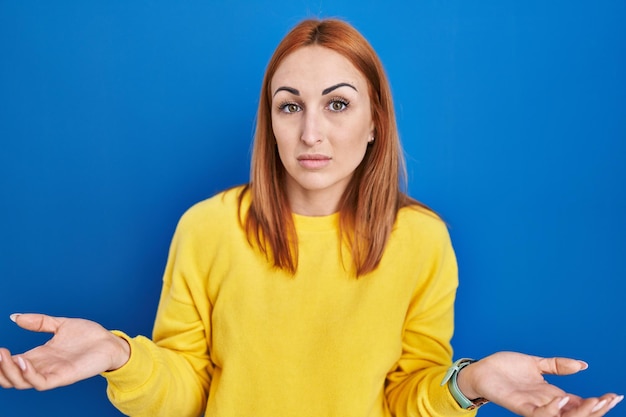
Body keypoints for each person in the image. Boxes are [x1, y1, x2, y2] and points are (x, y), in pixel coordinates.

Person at [0, 18, 621, 417]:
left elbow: (407, 399)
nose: (311, 132)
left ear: (376, 121)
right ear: (269, 123)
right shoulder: (207, 229)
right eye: (289, 106)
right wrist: (118, 354)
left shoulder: (422, 241)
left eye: (338, 104)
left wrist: (473, 383)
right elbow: (187, 392)